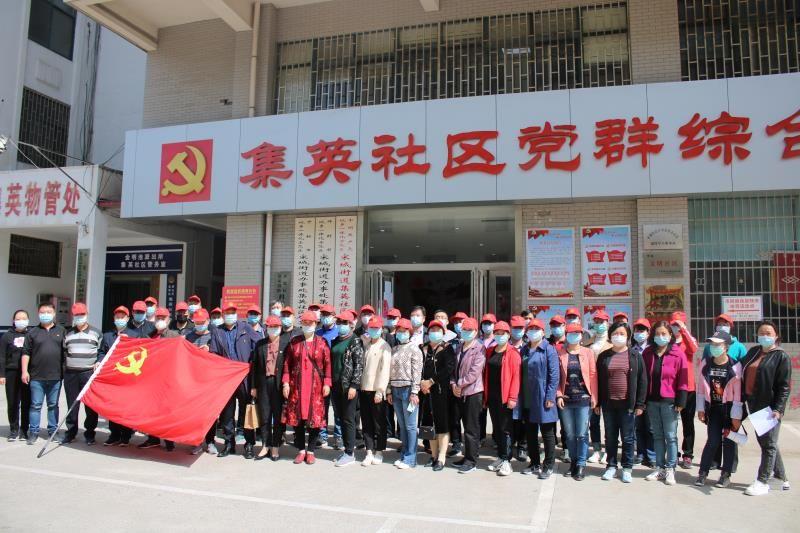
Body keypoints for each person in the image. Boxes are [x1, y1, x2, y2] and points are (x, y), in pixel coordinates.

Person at [740, 321, 791, 496]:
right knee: (767, 443)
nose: (764, 336)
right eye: (761, 332)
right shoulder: (754, 352)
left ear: (776, 336)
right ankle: (781, 478)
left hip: (769, 407)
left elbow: (784, 386)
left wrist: (778, 408)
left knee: (768, 445)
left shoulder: (781, 356)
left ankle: (762, 481)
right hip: (754, 404)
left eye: (769, 333)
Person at [596, 322, 647, 483]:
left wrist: (640, 404)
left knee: (628, 438)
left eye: (622, 333)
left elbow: (642, 380)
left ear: (628, 336)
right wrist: (597, 403)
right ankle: (611, 466)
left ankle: (627, 468)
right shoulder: (604, 356)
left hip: (627, 405)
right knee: (610, 437)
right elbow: (598, 380)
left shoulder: (635, 356)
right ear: (610, 336)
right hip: (609, 404)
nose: (618, 336)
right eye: (615, 333)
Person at [642, 321, 689, 486]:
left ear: (670, 336)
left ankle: (670, 468)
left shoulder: (677, 354)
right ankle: (660, 467)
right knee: (657, 435)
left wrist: (681, 400)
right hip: (652, 401)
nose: (660, 337)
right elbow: (643, 378)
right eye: (657, 334)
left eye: (664, 334)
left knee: (670, 436)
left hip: (670, 402)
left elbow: (683, 378)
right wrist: (642, 400)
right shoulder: (648, 353)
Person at [281, 310, 331, 465]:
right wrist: (285, 382)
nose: (307, 325)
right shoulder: (294, 342)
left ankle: (311, 451)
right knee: (298, 420)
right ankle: (301, 450)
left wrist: (327, 383)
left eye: (310, 323)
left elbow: (327, 364)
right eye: (305, 323)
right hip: (297, 386)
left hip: (316, 387)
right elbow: (287, 364)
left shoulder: (322, 342)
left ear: (316, 324)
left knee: (315, 419)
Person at [695, 330, 742, 488]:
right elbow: (701, 388)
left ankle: (725, 475)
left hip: (729, 409)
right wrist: (701, 409)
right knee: (712, 441)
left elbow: (738, 394)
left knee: (729, 442)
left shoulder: (735, 366)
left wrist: (736, 416)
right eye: (712, 344)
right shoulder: (706, 363)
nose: (714, 347)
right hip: (713, 409)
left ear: (726, 346)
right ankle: (702, 473)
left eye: (718, 344)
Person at [210, 302, 257, 458]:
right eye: (227, 313)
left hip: (244, 377)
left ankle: (249, 444)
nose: (230, 315)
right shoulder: (218, 331)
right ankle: (229, 443)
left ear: (236, 314)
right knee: (227, 414)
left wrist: (251, 366)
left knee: (246, 412)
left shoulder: (245, 328)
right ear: (223, 315)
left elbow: (257, 347)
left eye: (233, 312)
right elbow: (214, 354)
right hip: (227, 379)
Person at [517, 318, 559, 479]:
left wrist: (550, 396)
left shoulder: (549, 349)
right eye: (531, 329)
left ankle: (548, 465)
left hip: (543, 397)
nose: (533, 332)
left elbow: (554, 375)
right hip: (527, 397)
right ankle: (534, 463)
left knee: (547, 433)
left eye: (537, 329)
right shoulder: (524, 350)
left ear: (543, 332)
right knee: (530, 433)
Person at [556, 323, 597, 481]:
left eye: (577, 333)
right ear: (566, 335)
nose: (574, 335)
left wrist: (594, 396)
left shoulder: (588, 352)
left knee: (582, 434)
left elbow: (593, 375)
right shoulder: (560, 353)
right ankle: (573, 462)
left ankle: (581, 463)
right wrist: (559, 395)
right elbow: (556, 377)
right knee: (570, 434)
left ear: (581, 335)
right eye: (571, 333)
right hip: (566, 400)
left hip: (583, 399)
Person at [21, 303, 65, 445]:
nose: (45, 314)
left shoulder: (61, 331)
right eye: (42, 312)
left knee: (53, 405)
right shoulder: (32, 332)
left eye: (48, 311)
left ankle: (53, 431)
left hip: (55, 376)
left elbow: (66, 352)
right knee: (35, 405)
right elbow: (26, 353)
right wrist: (24, 371)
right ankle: (33, 432)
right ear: (38, 313)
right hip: (36, 376)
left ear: (54, 313)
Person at [481, 321, 520, 477]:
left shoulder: (512, 353)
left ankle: (507, 461)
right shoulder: (490, 351)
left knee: (505, 429)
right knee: (497, 428)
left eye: (502, 333)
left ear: (508, 335)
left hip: (505, 397)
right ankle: (501, 457)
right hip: (492, 396)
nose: (499, 336)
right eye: (496, 333)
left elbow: (516, 377)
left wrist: (512, 397)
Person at [61, 302, 103, 445]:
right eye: (76, 315)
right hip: (71, 374)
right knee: (72, 405)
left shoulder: (96, 333)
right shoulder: (67, 333)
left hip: (88, 374)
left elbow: (101, 352)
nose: (79, 317)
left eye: (82, 314)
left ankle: (90, 433)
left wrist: (98, 362)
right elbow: (64, 352)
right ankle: (71, 432)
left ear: (87, 314)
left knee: (90, 406)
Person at [139, 307, 180, 451]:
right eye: (158, 318)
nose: (160, 320)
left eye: (163, 318)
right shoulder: (149, 336)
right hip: (152, 379)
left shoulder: (175, 336)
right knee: (152, 411)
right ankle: (153, 439)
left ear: (168, 320)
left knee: (167, 411)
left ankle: (169, 441)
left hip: (168, 379)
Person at [99, 306, 139, 446]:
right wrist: (99, 361)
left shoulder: (134, 335)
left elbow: (139, 353)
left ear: (127, 319)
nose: (120, 319)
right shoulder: (107, 335)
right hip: (112, 377)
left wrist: (129, 342)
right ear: (114, 318)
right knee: (112, 407)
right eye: (117, 317)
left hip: (128, 377)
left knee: (125, 407)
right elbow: (102, 352)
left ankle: (126, 436)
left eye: (122, 317)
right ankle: (114, 434)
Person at [419, 320, 455, 471]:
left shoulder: (447, 348)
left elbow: (448, 369)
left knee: (442, 424)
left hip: (441, 391)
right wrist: (422, 383)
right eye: (432, 330)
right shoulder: (423, 348)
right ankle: (433, 456)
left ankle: (441, 457)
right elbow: (418, 367)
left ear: (443, 332)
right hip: (425, 392)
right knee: (429, 423)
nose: (434, 332)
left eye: (438, 330)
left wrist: (431, 381)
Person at [450, 318, 486, 474]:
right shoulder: (459, 347)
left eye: (469, 330)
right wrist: (453, 384)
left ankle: (472, 460)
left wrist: (459, 384)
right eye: (464, 329)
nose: (466, 332)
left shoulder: (480, 348)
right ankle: (466, 457)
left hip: (472, 392)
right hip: (459, 392)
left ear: (476, 332)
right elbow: (454, 369)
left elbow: (474, 372)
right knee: (464, 426)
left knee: (471, 428)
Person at [387, 318, 423, 469]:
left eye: (404, 331)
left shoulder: (415, 349)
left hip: (408, 391)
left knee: (411, 426)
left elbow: (417, 372)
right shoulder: (394, 349)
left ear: (410, 332)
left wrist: (415, 392)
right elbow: (389, 372)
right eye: (399, 331)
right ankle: (404, 454)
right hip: (395, 389)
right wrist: (389, 390)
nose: (401, 334)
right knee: (402, 425)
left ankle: (410, 458)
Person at [250, 315, 287, 461]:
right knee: (265, 415)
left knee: (277, 416)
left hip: (278, 384)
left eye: (276, 327)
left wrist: (287, 384)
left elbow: (289, 367)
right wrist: (253, 386)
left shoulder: (285, 344)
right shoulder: (260, 344)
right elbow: (254, 367)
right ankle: (265, 445)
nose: (273, 329)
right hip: (263, 383)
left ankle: (275, 446)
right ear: (266, 328)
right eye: (271, 327)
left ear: (280, 328)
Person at [331, 311, 364, 466]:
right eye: (339, 322)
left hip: (348, 386)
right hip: (336, 385)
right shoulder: (336, 340)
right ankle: (345, 450)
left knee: (348, 419)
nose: (341, 325)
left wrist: (354, 386)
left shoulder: (355, 341)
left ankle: (350, 453)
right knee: (340, 417)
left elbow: (359, 365)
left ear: (351, 325)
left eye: (345, 323)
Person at [184, 308, 219, 455]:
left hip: (209, 380)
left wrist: (209, 350)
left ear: (208, 321)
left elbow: (219, 356)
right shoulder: (188, 337)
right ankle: (196, 442)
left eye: (202, 322)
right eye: (197, 322)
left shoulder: (214, 336)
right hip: (193, 379)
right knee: (194, 413)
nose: (199, 325)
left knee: (210, 413)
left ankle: (210, 441)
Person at [359, 316, 391, 466]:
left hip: (376, 390)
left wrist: (380, 390)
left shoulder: (385, 346)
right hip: (364, 388)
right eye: (371, 328)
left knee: (379, 423)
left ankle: (379, 451)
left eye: (376, 328)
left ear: (381, 329)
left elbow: (385, 371)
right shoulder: (366, 344)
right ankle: (369, 451)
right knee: (366, 422)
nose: (373, 330)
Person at [670, 311, 699, 470]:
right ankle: (673, 453)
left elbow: (694, 349)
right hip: (671, 388)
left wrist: (684, 330)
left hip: (688, 388)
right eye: (673, 324)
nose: (676, 327)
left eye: (678, 324)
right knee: (671, 423)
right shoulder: (668, 341)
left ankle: (687, 454)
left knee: (688, 423)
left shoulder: (688, 340)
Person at [584, 310, 611, 464]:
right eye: (597, 322)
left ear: (607, 323)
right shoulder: (588, 343)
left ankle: (608, 450)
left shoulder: (613, 343)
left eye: (602, 322)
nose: (599, 324)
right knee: (593, 421)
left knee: (608, 422)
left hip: (607, 387)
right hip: (591, 387)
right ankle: (596, 449)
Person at [1, 310, 31, 441]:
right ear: (13, 320)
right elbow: (2, 356)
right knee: (12, 402)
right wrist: (2, 374)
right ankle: (13, 429)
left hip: (27, 373)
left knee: (26, 402)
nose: (21, 321)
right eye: (18, 319)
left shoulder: (31, 334)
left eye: (24, 318)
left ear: (28, 320)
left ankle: (24, 430)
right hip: (11, 372)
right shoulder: (7, 336)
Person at [631, 318, 655, 467]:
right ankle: (640, 453)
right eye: (637, 330)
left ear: (648, 332)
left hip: (651, 393)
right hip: (636, 393)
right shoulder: (631, 350)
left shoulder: (652, 349)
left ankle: (651, 455)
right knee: (638, 426)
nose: (639, 333)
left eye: (642, 330)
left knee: (651, 427)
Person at [446, 311, 469, 458]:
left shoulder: (476, 343)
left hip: (469, 387)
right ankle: (456, 443)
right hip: (453, 385)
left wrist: (462, 384)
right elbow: (449, 365)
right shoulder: (451, 342)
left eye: (461, 321)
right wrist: (453, 383)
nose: (458, 324)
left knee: (469, 419)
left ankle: (470, 447)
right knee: (454, 417)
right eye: (455, 322)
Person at [508, 315, 528, 462]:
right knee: (509, 419)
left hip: (525, 390)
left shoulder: (528, 348)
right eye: (515, 328)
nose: (518, 330)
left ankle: (522, 446)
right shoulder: (504, 346)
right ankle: (509, 445)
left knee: (524, 419)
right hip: (508, 389)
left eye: (520, 328)